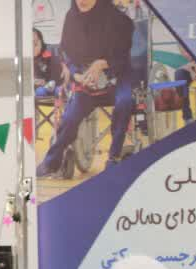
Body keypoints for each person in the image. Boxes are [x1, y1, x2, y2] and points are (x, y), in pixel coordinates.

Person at [36, 0, 136, 176]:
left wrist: (102, 63)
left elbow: (123, 56)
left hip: (118, 77)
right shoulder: (72, 17)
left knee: (125, 102)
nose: (81, 1)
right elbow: (65, 52)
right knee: (69, 118)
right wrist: (76, 75)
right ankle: (52, 161)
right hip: (86, 80)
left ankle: (114, 157)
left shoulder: (118, 20)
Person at [33, 27, 64, 98]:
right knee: (40, 92)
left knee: (59, 91)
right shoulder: (26, 57)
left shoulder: (50, 52)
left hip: (54, 84)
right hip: (40, 88)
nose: (33, 48)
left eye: (35, 44)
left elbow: (58, 73)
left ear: (41, 41)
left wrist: (49, 82)